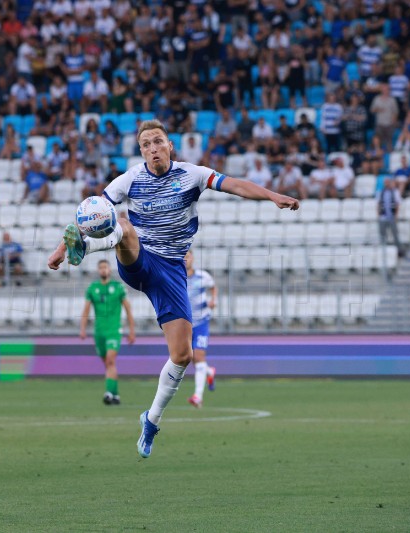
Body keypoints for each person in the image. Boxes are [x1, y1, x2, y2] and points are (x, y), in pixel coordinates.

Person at [47, 119, 299, 458]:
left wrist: (271, 196)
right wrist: (64, 248)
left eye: (158, 142)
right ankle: (87, 249)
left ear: (170, 146)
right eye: (146, 144)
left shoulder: (191, 175)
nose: (153, 148)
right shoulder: (130, 179)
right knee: (123, 224)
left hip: (171, 272)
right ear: (141, 152)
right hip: (139, 261)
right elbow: (93, 212)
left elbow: (234, 184)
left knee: (183, 355)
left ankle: (151, 421)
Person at [80, 259, 136, 405]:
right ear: (98, 271)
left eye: (105, 267)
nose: (103, 270)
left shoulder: (118, 287)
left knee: (111, 361)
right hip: (99, 332)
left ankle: (109, 393)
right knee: (108, 364)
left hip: (114, 330)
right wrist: (83, 329)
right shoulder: (92, 288)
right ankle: (116, 395)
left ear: (110, 270)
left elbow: (128, 309)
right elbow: (86, 309)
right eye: (101, 268)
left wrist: (132, 330)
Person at [184, 249, 218, 408]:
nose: (185, 259)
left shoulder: (202, 276)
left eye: (188, 256)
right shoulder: (178, 278)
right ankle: (209, 372)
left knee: (199, 355)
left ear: (193, 258)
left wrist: (213, 300)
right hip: (185, 324)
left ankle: (198, 396)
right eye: (183, 257)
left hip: (202, 322)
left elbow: (213, 287)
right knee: (193, 358)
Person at [377, 177, 404, 258]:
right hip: (383, 216)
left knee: (395, 234)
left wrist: (396, 215)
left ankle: (399, 251)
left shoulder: (395, 192)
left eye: (388, 182)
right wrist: (378, 214)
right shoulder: (380, 192)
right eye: (385, 182)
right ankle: (384, 251)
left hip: (391, 216)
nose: (387, 184)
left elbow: (397, 204)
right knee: (382, 234)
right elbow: (378, 204)